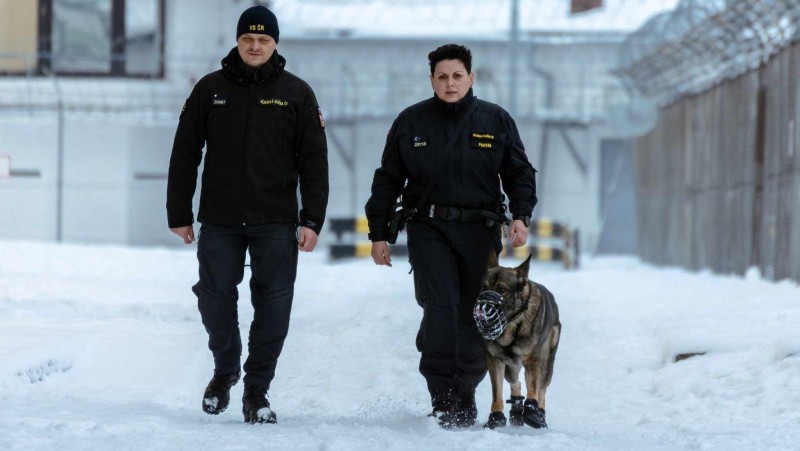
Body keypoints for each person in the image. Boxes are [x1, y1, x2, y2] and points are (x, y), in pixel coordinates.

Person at [166, 5, 328, 425]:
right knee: (214, 299)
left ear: (275, 44)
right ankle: (225, 370)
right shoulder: (210, 89)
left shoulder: (297, 93)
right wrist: (179, 211)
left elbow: (314, 162)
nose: (255, 46)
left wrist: (312, 220)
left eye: (263, 40)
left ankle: (256, 390)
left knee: (273, 306)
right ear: (237, 41)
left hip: (275, 220)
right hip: (219, 218)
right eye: (247, 39)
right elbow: (185, 152)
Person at [364, 44, 537, 429]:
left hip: (480, 230)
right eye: (442, 76)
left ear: (471, 78)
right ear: (432, 80)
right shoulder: (411, 122)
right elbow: (388, 178)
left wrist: (521, 216)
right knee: (440, 307)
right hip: (429, 229)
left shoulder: (496, 120)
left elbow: (519, 173)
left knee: (476, 315)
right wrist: (378, 233)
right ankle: (443, 396)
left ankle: (467, 388)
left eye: (457, 75)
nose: (450, 83)